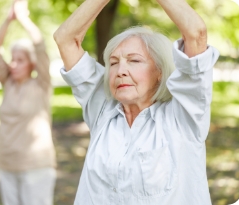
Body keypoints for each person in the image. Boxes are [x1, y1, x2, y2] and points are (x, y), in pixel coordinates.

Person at [53, 0, 219, 204]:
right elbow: (65, 39)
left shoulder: (184, 117)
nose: (120, 70)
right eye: (113, 63)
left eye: (134, 60)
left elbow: (196, 33)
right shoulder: (102, 108)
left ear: (159, 72)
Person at [0, 0, 56, 204]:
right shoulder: (7, 83)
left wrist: (24, 19)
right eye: (12, 58)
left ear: (32, 64)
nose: (13, 64)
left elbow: (40, 45)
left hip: (35, 165)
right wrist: (9, 19)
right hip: (6, 161)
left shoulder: (41, 84)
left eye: (20, 60)